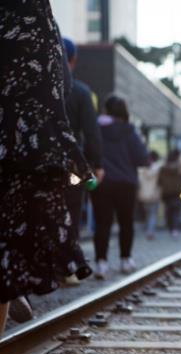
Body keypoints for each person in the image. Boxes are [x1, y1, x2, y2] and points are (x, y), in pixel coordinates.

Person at [0, 0, 93, 335]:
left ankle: (11, 282)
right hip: (24, 148)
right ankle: (12, 283)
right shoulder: (37, 21)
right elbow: (59, 91)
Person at [91, 95, 149, 279]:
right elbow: (142, 158)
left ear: (106, 110)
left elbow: (90, 151)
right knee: (126, 223)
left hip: (102, 182)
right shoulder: (130, 132)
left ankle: (101, 263)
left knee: (102, 223)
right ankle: (125, 259)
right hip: (126, 183)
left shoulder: (97, 129)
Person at [62, 37, 103, 286]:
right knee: (71, 213)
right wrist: (96, 165)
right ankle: (67, 268)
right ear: (73, 60)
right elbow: (91, 132)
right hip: (71, 166)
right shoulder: (80, 91)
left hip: (34, 164)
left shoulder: (34, 86)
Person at [158, 149, 181, 238]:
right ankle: (175, 229)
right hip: (177, 192)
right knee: (176, 211)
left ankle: (170, 228)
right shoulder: (179, 168)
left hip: (166, 193)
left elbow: (159, 181)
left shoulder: (163, 168)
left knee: (169, 211)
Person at [138, 150, 163, 240]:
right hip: (154, 195)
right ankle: (150, 231)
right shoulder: (159, 168)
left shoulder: (141, 168)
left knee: (147, 213)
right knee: (153, 214)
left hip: (143, 195)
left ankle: (148, 229)